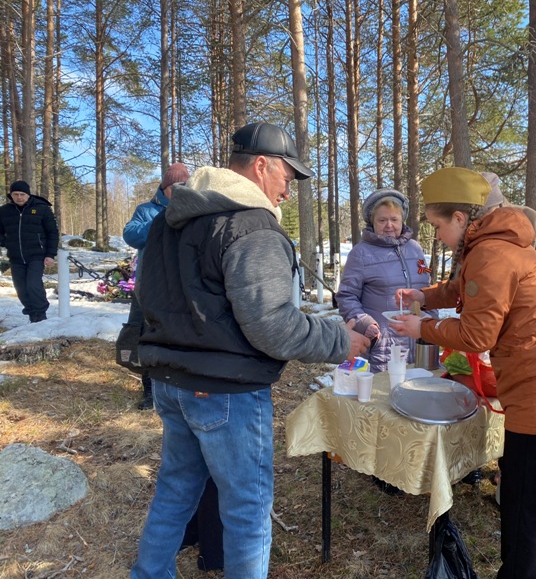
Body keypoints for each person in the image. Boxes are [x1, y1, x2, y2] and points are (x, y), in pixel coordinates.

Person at [129, 121, 370, 579]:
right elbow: (273, 326)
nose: (289, 188)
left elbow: (146, 295)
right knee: (247, 507)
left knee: (176, 487)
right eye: (287, 175)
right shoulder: (251, 225)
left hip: (170, 381)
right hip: (225, 391)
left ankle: (149, 572)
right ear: (262, 166)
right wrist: (342, 339)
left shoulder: (168, 219)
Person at [392, 167, 536, 579]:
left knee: (526, 508)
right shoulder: (498, 243)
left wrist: (422, 328)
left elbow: (476, 333)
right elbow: (463, 288)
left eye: (438, 224)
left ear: (460, 218)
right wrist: (425, 295)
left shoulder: (490, 253)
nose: (436, 235)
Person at [335, 188, 433, 371]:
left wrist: (431, 322)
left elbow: (426, 286)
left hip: (418, 339)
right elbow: (346, 296)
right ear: (372, 222)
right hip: (383, 344)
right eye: (382, 220)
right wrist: (365, 323)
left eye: (394, 219)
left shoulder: (416, 249)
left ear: (402, 220)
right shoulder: (360, 253)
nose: (389, 225)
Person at [122, 162, 189, 410]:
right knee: (146, 337)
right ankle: (149, 391)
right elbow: (131, 235)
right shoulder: (146, 210)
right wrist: (163, 218)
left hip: (181, 287)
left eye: (185, 185)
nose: (181, 189)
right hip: (149, 286)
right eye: (176, 186)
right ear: (165, 187)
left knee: (178, 337)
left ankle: (178, 388)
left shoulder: (194, 210)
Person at [481, 171, 536, 278]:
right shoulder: (466, 223)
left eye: (487, 212)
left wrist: (524, 288)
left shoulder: (530, 219)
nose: (481, 220)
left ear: (498, 204)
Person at [0, 180, 59, 323]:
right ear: (11, 195)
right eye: (16, 194)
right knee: (21, 288)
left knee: (33, 285)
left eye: (22, 194)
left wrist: (50, 255)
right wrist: (5, 242)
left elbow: (52, 232)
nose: (19, 197)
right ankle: (32, 313)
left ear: (28, 195)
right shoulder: (4, 211)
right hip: (15, 257)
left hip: (36, 256)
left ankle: (40, 316)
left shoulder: (42, 208)